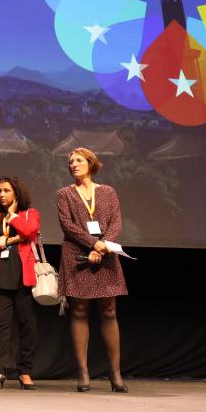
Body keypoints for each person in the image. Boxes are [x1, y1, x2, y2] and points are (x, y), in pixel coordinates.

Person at [56, 147, 129, 393]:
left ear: (91, 163)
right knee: (79, 310)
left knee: (109, 311)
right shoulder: (64, 194)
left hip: (105, 256)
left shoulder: (108, 192)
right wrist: (93, 244)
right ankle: (83, 371)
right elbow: (68, 225)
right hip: (77, 255)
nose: (73, 164)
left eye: (78, 160)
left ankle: (115, 372)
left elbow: (116, 222)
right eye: (70, 162)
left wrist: (103, 246)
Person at [0, 176, 40, 390]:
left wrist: (13, 216)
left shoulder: (29, 213)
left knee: (27, 326)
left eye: (6, 190)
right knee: (0, 327)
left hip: (23, 276)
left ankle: (25, 372)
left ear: (16, 193)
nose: (2, 194)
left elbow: (29, 232)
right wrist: (7, 240)